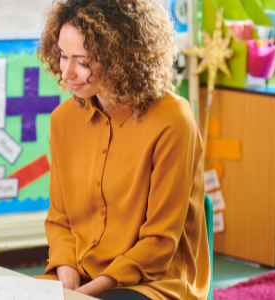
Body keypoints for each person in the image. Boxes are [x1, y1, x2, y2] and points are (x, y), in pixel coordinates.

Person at [37, 0, 210, 299]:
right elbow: (59, 220)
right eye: (63, 56)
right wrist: (66, 276)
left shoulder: (173, 120)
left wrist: (89, 292)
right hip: (83, 274)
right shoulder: (62, 120)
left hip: (154, 281)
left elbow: (159, 242)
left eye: (82, 61)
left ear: (121, 57)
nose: (66, 73)